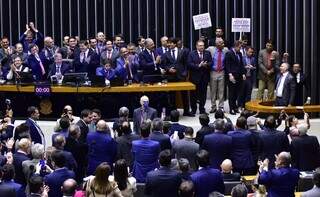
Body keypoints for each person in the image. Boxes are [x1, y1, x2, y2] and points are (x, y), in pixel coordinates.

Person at [187, 40, 212, 115]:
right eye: (200, 46)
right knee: (193, 95)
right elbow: (189, 64)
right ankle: (193, 110)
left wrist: (206, 65)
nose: (202, 47)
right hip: (194, 78)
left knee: (203, 95)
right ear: (197, 46)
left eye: (203, 45)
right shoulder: (191, 53)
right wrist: (198, 65)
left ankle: (202, 109)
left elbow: (211, 62)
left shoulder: (207, 53)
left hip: (204, 78)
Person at [207, 37, 228, 113]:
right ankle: (213, 106)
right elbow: (203, 52)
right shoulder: (211, 49)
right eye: (222, 43)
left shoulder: (225, 50)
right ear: (217, 44)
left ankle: (221, 107)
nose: (223, 44)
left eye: (223, 43)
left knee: (221, 91)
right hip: (213, 72)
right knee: (213, 90)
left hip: (222, 72)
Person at [225, 40, 246, 114]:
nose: (240, 49)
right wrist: (230, 74)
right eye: (239, 47)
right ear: (235, 46)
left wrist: (243, 73)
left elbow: (241, 64)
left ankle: (235, 107)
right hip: (232, 76)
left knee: (237, 93)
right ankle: (231, 109)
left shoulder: (239, 54)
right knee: (232, 93)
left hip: (239, 76)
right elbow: (227, 65)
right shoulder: (229, 53)